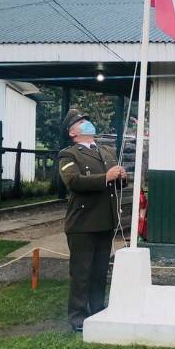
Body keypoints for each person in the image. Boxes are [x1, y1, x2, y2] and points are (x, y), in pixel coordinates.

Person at [58, 109, 127, 331]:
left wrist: (121, 178)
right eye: (80, 122)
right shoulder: (69, 155)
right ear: (72, 133)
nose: (86, 123)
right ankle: (78, 316)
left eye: (86, 120)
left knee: (99, 271)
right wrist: (105, 177)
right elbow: (74, 181)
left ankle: (98, 309)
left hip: (105, 220)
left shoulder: (106, 151)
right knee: (82, 273)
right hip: (83, 223)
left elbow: (115, 186)